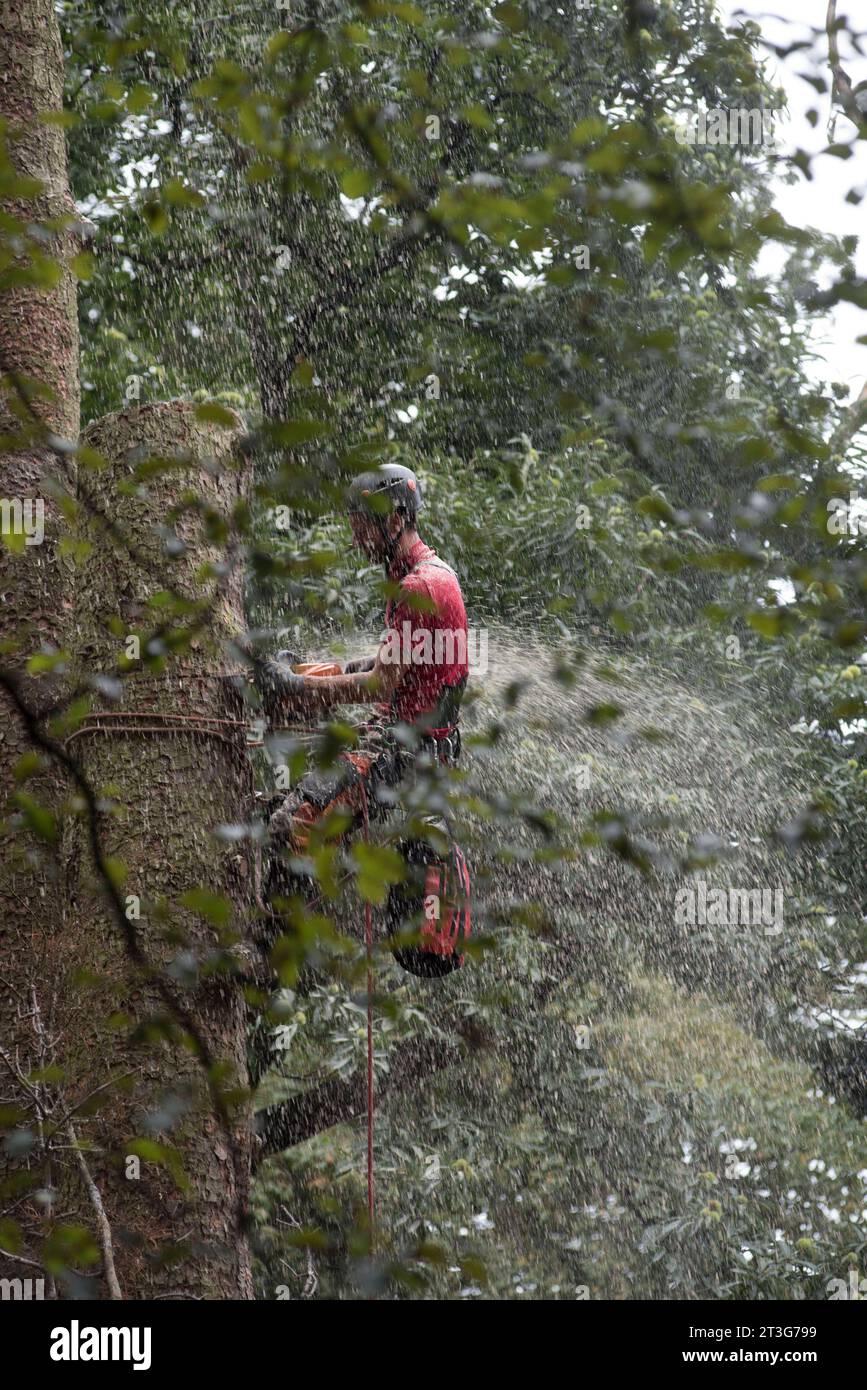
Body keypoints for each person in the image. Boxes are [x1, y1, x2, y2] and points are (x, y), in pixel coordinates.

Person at [259, 463, 469, 862]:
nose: (356, 541)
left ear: (393, 520)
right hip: (402, 742)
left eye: (361, 529)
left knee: (292, 825)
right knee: (288, 810)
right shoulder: (416, 575)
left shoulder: (421, 587)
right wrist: (314, 673)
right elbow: (389, 663)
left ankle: (287, 920)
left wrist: (298, 689)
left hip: (404, 754)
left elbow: (380, 683)